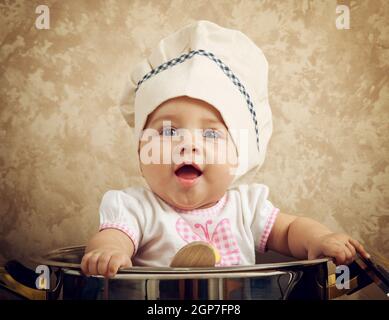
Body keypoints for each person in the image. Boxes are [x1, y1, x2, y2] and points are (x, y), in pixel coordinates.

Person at [81, 20, 369, 278]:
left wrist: (319, 239)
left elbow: (290, 229)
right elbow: (114, 235)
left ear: (237, 157)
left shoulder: (245, 207)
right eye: (168, 131)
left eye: (210, 133)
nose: (188, 144)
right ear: (141, 154)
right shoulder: (136, 208)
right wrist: (109, 251)